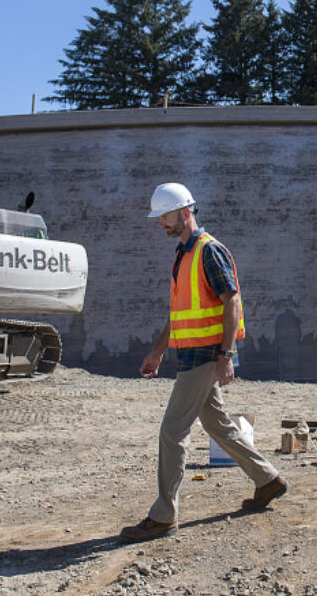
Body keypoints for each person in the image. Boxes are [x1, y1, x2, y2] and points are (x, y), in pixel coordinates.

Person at [119, 182, 287, 543]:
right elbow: (179, 315)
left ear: (185, 211)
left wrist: (226, 355)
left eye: (165, 216)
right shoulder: (184, 254)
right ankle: (268, 479)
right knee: (218, 425)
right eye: (159, 217)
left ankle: (163, 515)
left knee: (172, 431)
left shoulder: (208, 251)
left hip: (206, 357)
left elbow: (232, 301)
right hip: (193, 355)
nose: (161, 223)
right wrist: (158, 350)